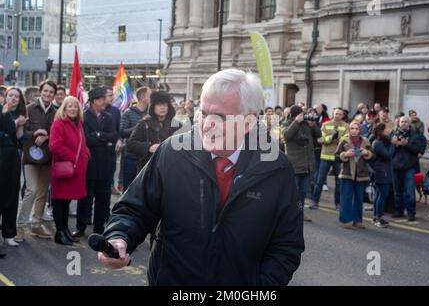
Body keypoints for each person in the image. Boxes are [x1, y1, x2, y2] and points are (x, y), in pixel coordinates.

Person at [98, 69, 304, 286]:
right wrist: (119, 237)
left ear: (249, 122)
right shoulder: (172, 153)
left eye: (221, 117)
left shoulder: (276, 169)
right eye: (203, 113)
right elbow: (134, 209)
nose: (207, 125)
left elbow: (286, 246)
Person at [73, 87, 119, 237]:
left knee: (103, 199)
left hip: (105, 164)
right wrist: (102, 139)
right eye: (100, 99)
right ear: (93, 101)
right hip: (89, 164)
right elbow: (86, 139)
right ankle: (80, 227)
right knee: (85, 198)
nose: (104, 101)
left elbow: (113, 136)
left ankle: (99, 228)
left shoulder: (109, 117)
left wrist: (98, 135)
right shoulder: (84, 117)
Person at [15, 80, 57, 242]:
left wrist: (47, 136)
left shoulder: (57, 112)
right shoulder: (28, 109)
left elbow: (60, 133)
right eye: (45, 91)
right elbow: (21, 133)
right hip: (30, 158)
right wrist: (35, 133)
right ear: (41, 92)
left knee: (42, 192)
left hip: (48, 157)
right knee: (31, 190)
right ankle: (20, 227)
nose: (48, 94)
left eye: (51, 92)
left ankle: (36, 224)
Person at [49, 97, 90, 245]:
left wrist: (86, 155)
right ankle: (59, 233)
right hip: (65, 168)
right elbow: (55, 146)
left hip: (75, 169)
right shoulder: (59, 123)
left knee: (66, 202)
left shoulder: (78, 123)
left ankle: (65, 230)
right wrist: (75, 158)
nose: (73, 109)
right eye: (69, 106)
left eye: (75, 106)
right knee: (60, 202)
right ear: (64, 108)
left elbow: (81, 144)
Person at [282, 105, 321, 222]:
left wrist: (313, 125)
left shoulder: (306, 125)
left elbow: (318, 136)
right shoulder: (286, 124)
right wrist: (296, 122)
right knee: (292, 193)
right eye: (300, 114)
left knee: (302, 193)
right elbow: (286, 135)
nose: (303, 116)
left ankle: (300, 213)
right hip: (294, 164)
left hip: (306, 165)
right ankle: (287, 215)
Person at [0, 87, 28, 246]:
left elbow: (19, 138)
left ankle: (9, 234)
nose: (13, 98)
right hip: (1, 155)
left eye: (16, 96)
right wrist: (14, 123)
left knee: (11, 195)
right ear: (5, 96)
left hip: (13, 157)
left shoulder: (21, 115)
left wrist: (19, 125)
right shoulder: (1, 112)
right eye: (10, 95)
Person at [126, 91, 178, 174]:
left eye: (165, 104)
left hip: (170, 168)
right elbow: (131, 144)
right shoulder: (144, 123)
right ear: (153, 107)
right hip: (149, 168)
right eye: (159, 105)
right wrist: (149, 147)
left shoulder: (176, 125)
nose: (162, 108)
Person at [336, 121, 374, 229]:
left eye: (356, 128)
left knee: (359, 198)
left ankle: (357, 220)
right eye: (352, 128)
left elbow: (373, 156)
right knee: (346, 198)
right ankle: (345, 220)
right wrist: (345, 154)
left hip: (362, 174)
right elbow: (336, 157)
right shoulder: (344, 141)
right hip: (347, 173)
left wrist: (367, 153)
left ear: (360, 130)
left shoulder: (366, 141)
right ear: (349, 129)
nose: (354, 130)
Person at [311, 107, 349, 210]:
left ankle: (338, 204)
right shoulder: (326, 124)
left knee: (339, 182)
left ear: (343, 116)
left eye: (340, 114)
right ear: (333, 114)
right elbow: (320, 139)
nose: (337, 116)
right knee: (319, 180)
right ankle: (315, 202)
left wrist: (337, 140)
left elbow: (346, 141)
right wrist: (332, 138)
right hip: (325, 156)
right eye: (336, 113)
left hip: (338, 157)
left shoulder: (346, 126)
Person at [391, 117, 427, 221]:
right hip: (396, 166)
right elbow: (389, 151)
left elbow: (417, 149)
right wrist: (395, 145)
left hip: (409, 167)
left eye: (406, 122)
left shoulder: (415, 134)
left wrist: (406, 145)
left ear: (409, 123)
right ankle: (399, 211)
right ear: (399, 123)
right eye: (402, 122)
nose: (404, 123)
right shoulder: (393, 133)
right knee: (397, 191)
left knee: (409, 192)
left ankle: (411, 213)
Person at [120, 86, 151, 191]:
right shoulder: (128, 113)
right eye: (150, 95)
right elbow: (123, 132)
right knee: (129, 189)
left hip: (147, 157)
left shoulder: (151, 114)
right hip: (131, 157)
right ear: (142, 97)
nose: (153, 98)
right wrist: (141, 122)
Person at [371, 123, 394, 228]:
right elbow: (388, 155)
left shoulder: (381, 142)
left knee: (379, 195)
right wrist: (392, 144)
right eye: (387, 130)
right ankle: (379, 218)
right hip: (381, 172)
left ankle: (376, 217)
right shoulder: (378, 143)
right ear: (382, 131)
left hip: (383, 171)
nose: (389, 132)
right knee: (382, 195)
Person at [104, 87, 122, 195]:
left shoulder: (115, 111)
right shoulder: (93, 110)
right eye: (110, 95)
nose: (112, 97)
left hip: (112, 149)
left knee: (112, 169)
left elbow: (118, 129)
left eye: (112, 95)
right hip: (98, 149)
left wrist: (120, 140)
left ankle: (111, 185)